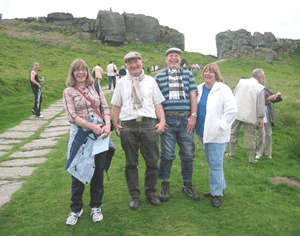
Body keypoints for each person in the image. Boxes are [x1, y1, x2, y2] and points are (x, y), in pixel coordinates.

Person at [111, 51, 166, 210]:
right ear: (126, 65)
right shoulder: (121, 82)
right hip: (129, 126)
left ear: (141, 62)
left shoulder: (151, 81)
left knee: (152, 162)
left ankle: (151, 193)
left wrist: (162, 121)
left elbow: (157, 103)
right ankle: (134, 196)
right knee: (131, 163)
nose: (134, 65)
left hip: (149, 124)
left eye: (136, 61)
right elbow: (116, 105)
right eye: (130, 63)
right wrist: (116, 123)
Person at [63, 59, 113, 226]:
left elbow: (105, 108)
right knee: (77, 170)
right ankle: (76, 208)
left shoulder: (96, 87)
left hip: (99, 135)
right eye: (77, 70)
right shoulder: (69, 91)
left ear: (87, 71)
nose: (81, 72)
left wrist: (107, 124)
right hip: (80, 136)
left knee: (98, 170)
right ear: (72, 72)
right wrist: (92, 126)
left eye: (83, 69)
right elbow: (72, 116)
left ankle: (95, 206)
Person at [155, 47, 199, 202]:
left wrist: (193, 116)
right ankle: (164, 183)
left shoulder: (188, 74)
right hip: (168, 121)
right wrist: (160, 120)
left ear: (180, 59)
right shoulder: (159, 77)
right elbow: (156, 101)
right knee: (166, 155)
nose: (174, 58)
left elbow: (193, 95)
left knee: (188, 154)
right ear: (166, 59)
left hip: (185, 120)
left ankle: (187, 184)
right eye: (171, 56)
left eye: (177, 56)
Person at [195, 63, 237, 208]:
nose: (207, 73)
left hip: (217, 134)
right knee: (213, 162)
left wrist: (221, 125)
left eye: (211, 72)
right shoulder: (200, 88)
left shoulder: (223, 89)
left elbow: (232, 111)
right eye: (205, 71)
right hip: (203, 132)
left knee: (215, 164)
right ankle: (219, 186)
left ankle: (216, 194)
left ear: (216, 74)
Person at [227, 68, 266, 164]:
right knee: (251, 136)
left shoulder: (241, 82)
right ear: (260, 77)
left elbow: (234, 94)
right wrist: (261, 118)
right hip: (250, 115)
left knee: (233, 133)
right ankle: (251, 160)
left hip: (237, 112)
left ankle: (231, 154)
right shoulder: (260, 88)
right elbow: (261, 104)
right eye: (263, 77)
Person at [256, 78, 282, 159]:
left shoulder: (266, 88)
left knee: (269, 134)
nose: (263, 80)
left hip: (268, 114)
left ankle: (268, 154)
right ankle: (259, 153)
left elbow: (272, 99)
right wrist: (268, 99)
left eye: (264, 79)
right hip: (259, 114)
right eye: (261, 78)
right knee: (261, 134)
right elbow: (257, 103)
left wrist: (277, 97)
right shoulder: (255, 89)